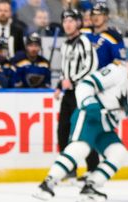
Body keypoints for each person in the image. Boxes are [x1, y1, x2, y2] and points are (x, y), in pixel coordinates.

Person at [34, 48, 128, 202]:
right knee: (81, 148)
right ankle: (48, 183)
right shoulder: (115, 72)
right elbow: (85, 84)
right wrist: (89, 102)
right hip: (90, 116)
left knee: (118, 152)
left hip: (107, 125)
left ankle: (91, 186)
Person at [53, 9, 96, 168]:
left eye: (71, 21)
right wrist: (59, 86)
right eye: (65, 21)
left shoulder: (84, 41)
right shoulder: (65, 45)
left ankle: (92, 168)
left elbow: (91, 66)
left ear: (78, 23)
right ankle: (68, 168)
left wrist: (72, 79)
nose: (68, 24)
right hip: (69, 94)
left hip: (82, 93)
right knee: (63, 130)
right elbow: (64, 69)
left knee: (83, 131)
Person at [88, 2, 124, 68]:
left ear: (106, 17)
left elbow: (120, 61)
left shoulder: (114, 36)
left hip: (105, 76)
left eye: (100, 14)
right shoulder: (85, 32)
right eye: (93, 14)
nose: (96, 17)